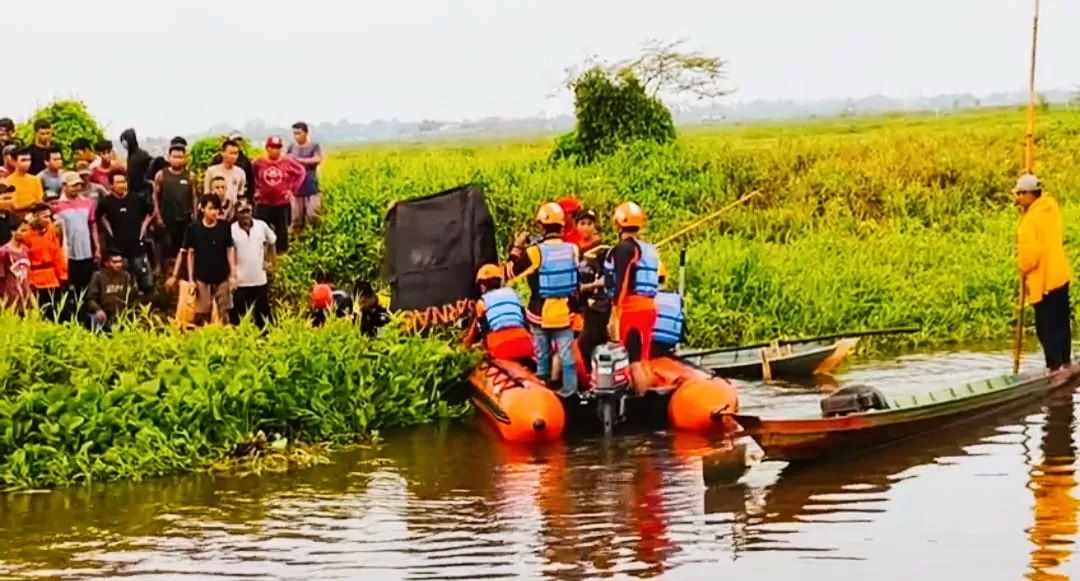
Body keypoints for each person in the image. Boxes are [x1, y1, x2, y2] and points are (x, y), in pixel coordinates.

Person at [507, 202, 580, 397]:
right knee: (566, 355)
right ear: (562, 225)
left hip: (540, 312)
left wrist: (516, 248)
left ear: (541, 226)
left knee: (542, 354)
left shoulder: (535, 252)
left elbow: (511, 272)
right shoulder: (573, 249)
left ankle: (542, 390)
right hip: (564, 311)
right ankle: (570, 391)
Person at [1015, 173, 1072, 371]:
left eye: (1021, 193)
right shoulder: (1051, 207)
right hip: (1060, 275)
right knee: (1061, 323)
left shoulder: (1029, 221)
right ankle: (1066, 362)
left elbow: (1030, 257)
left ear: (1031, 194)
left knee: (1046, 328)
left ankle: (1054, 368)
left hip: (1045, 280)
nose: (1018, 197)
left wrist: (1022, 267)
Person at [605, 201, 662, 394]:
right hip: (649, 306)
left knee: (631, 359)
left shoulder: (624, 249)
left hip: (630, 307)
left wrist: (614, 312)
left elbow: (621, 282)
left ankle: (640, 398)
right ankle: (645, 395)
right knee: (642, 357)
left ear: (618, 224)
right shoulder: (649, 249)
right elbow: (660, 278)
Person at [169, 195, 236, 326]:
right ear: (202, 209)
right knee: (202, 313)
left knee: (224, 312)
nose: (214, 212)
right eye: (211, 208)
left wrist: (233, 275)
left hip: (222, 276)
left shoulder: (224, 227)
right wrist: (191, 279)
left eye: (216, 209)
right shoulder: (194, 228)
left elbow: (230, 250)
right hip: (202, 277)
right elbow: (190, 254)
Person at [464, 263, 535, 364]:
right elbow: (525, 322)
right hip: (525, 343)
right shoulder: (513, 294)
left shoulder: (482, 302)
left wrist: (463, 348)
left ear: (482, 286)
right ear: (500, 281)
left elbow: (477, 332)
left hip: (499, 348)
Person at [96, 172, 153, 294]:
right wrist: (109, 231)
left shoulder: (136, 199)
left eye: (124, 182)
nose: (122, 185)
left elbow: (150, 212)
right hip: (117, 246)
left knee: (144, 277)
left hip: (137, 244)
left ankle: (146, 297)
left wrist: (143, 229)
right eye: (118, 182)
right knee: (123, 277)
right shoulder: (106, 202)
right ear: (111, 185)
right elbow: (99, 217)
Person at [51, 171, 100, 299]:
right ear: (64, 186)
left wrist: (97, 247)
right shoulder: (56, 206)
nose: (77, 188)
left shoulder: (88, 203)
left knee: (85, 286)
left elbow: (92, 225)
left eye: (79, 185)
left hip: (86, 251)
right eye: (73, 185)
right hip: (67, 254)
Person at [253, 136, 305, 253]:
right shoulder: (258, 162)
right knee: (261, 230)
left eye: (278, 148)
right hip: (264, 203)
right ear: (267, 148)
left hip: (282, 203)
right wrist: (256, 189)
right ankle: (262, 255)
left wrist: (292, 190)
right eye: (272, 147)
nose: (275, 150)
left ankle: (281, 255)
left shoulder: (287, 162)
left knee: (282, 231)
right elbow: (251, 175)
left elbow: (301, 172)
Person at [230, 200, 276, 328]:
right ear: (236, 213)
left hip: (259, 280)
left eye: (248, 211)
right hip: (240, 283)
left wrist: (271, 262)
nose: (245, 215)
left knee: (263, 318)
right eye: (242, 212)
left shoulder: (261, 226)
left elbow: (272, 241)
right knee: (241, 319)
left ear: (252, 211)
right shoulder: (231, 229)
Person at [574, 209, 611, 369]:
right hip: (578, 304)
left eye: (589, 224)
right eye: (582, 223)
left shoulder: (602, 249)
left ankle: (595, 372)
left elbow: (608, 278)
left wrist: (588, 286)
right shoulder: (574, 249)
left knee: (592, 341)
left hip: (597, 303)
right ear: (576, 226)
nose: (586, 227)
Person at [153, 144, 196, 265]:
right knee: (165, 249)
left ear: (185, 158)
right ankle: (163, 271)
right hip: (166, 218)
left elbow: (194, 198)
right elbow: (155, 197)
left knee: (183, 248)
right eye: (175, 156)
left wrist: (195, 216)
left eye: (180, 157)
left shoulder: (190, 176)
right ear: (169, 157)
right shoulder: (161, 175)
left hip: (184, 219)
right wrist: (158, 216)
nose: (177, 160)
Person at [24, 204, 67, 319]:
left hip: (52, 278)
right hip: (35, 280)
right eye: (45, 217)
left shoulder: (53, 231)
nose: (48, 220)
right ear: (36, 216)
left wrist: (62, 275)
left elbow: (58, 255)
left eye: (49, 216)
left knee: (56, 313)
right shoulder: (26, 235)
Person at [85, 251, 136, 332]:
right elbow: (90, 299)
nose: (118, 265)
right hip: (103, 315)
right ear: (106, 263)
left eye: (120, 261)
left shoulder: (126, 276)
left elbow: (131, 298)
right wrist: (98, 310)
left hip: (120, 316)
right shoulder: (98, 276)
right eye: (115, 262)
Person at [288, 122, 324, 231]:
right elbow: (286, 160)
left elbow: (317, 159)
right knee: (296, 218)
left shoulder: (314, 146)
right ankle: (297, 239)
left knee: (312, 215)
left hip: (312, 187)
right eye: (294, 133)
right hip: (296, 189)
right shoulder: (291, 147)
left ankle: (315, 236)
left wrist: (298, 160)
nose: (296, 136)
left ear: (306, 133)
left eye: (299, 133)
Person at [204, 139, 247, 220]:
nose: (234, 156)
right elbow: (206, 193)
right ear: (223, 153)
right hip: (215, 214)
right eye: (231, 153)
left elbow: (240, 194)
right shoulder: (211, 171)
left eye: (236, 153)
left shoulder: (240, 172)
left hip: (232, 215)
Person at [1, 147, 45, 223]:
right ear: (14, 161)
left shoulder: (35, 179)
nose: (27, 163)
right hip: (15, 221)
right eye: (23, 160)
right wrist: (32, 203)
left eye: (29, 160)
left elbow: (39, 201)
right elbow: (14, 206)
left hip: (35, 218)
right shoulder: (7, 182)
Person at [0, 218, 33, 311]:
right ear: (13, 232)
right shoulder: (4, 252)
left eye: (27, 231)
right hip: (10, 297)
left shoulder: (26, 250)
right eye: (22, 230)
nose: (25, 234)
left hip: (25, 295)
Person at [119, 129, 152, 201]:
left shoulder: (136, 156)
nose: (123, 144)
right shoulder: (136, 154)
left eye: (123, 141)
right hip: (142, 191)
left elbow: (132, 176)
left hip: (139, 193)